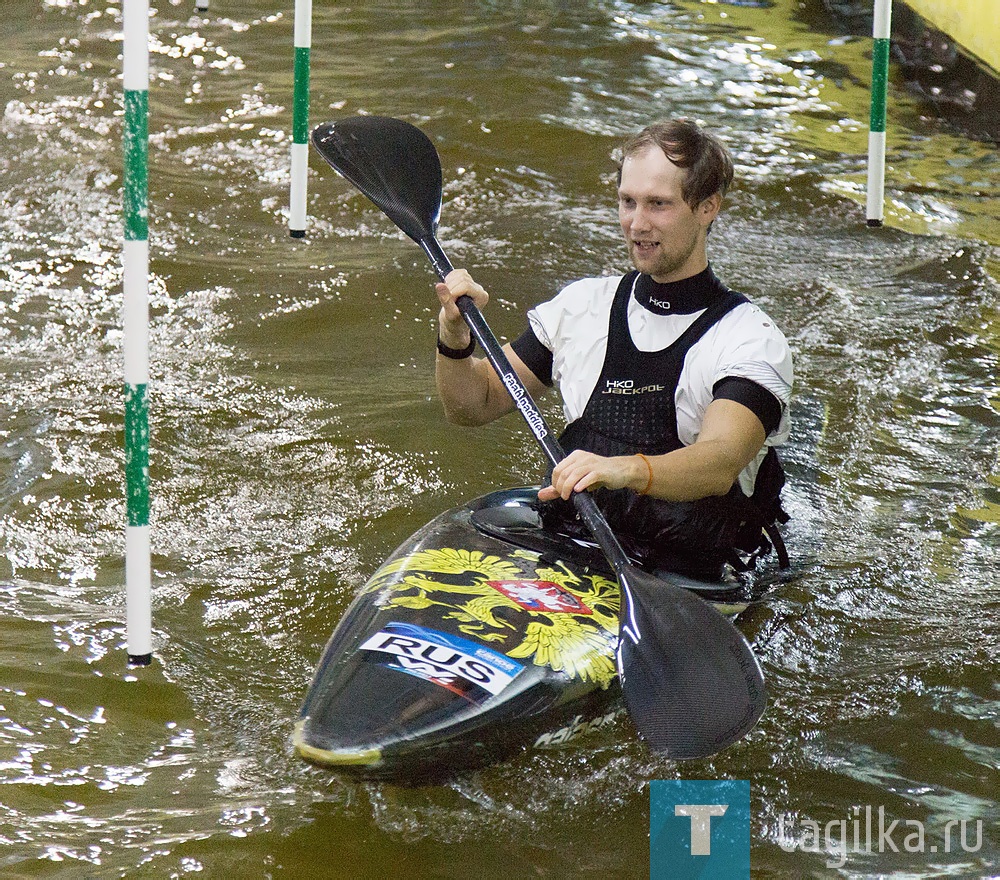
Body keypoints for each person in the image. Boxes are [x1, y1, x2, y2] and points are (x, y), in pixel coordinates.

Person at [433, 119, 793, 580]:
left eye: (658, 205)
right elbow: (474, 404)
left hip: (697, 568)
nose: (637, 224)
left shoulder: (749, 338)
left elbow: (719, 462)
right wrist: (454, 336)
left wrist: (620, 470)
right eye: (628, 202)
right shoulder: (583, 307)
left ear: (707, 207)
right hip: (582, 545)